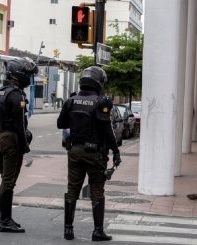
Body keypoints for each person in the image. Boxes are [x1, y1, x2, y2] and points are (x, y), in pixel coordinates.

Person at [57, 66, 122, 241]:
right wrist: (116, 151)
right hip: (95, 153)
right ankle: (97, 231)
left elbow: (60, 123)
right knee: (97, 191)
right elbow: (107, 130)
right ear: (98, 82)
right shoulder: (101, 102)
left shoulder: (71, 101)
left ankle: (68, 230)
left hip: (75, 151)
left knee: (72, 190)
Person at [0, 57, 38, 233]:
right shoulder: (17, 95)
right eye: (27, 75)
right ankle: (4, 221)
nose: (29, 78)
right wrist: (26, 148)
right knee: (8, 182)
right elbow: (20, 125)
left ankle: (7, 218)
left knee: (5, 179)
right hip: (10, 140)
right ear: (19, 74)